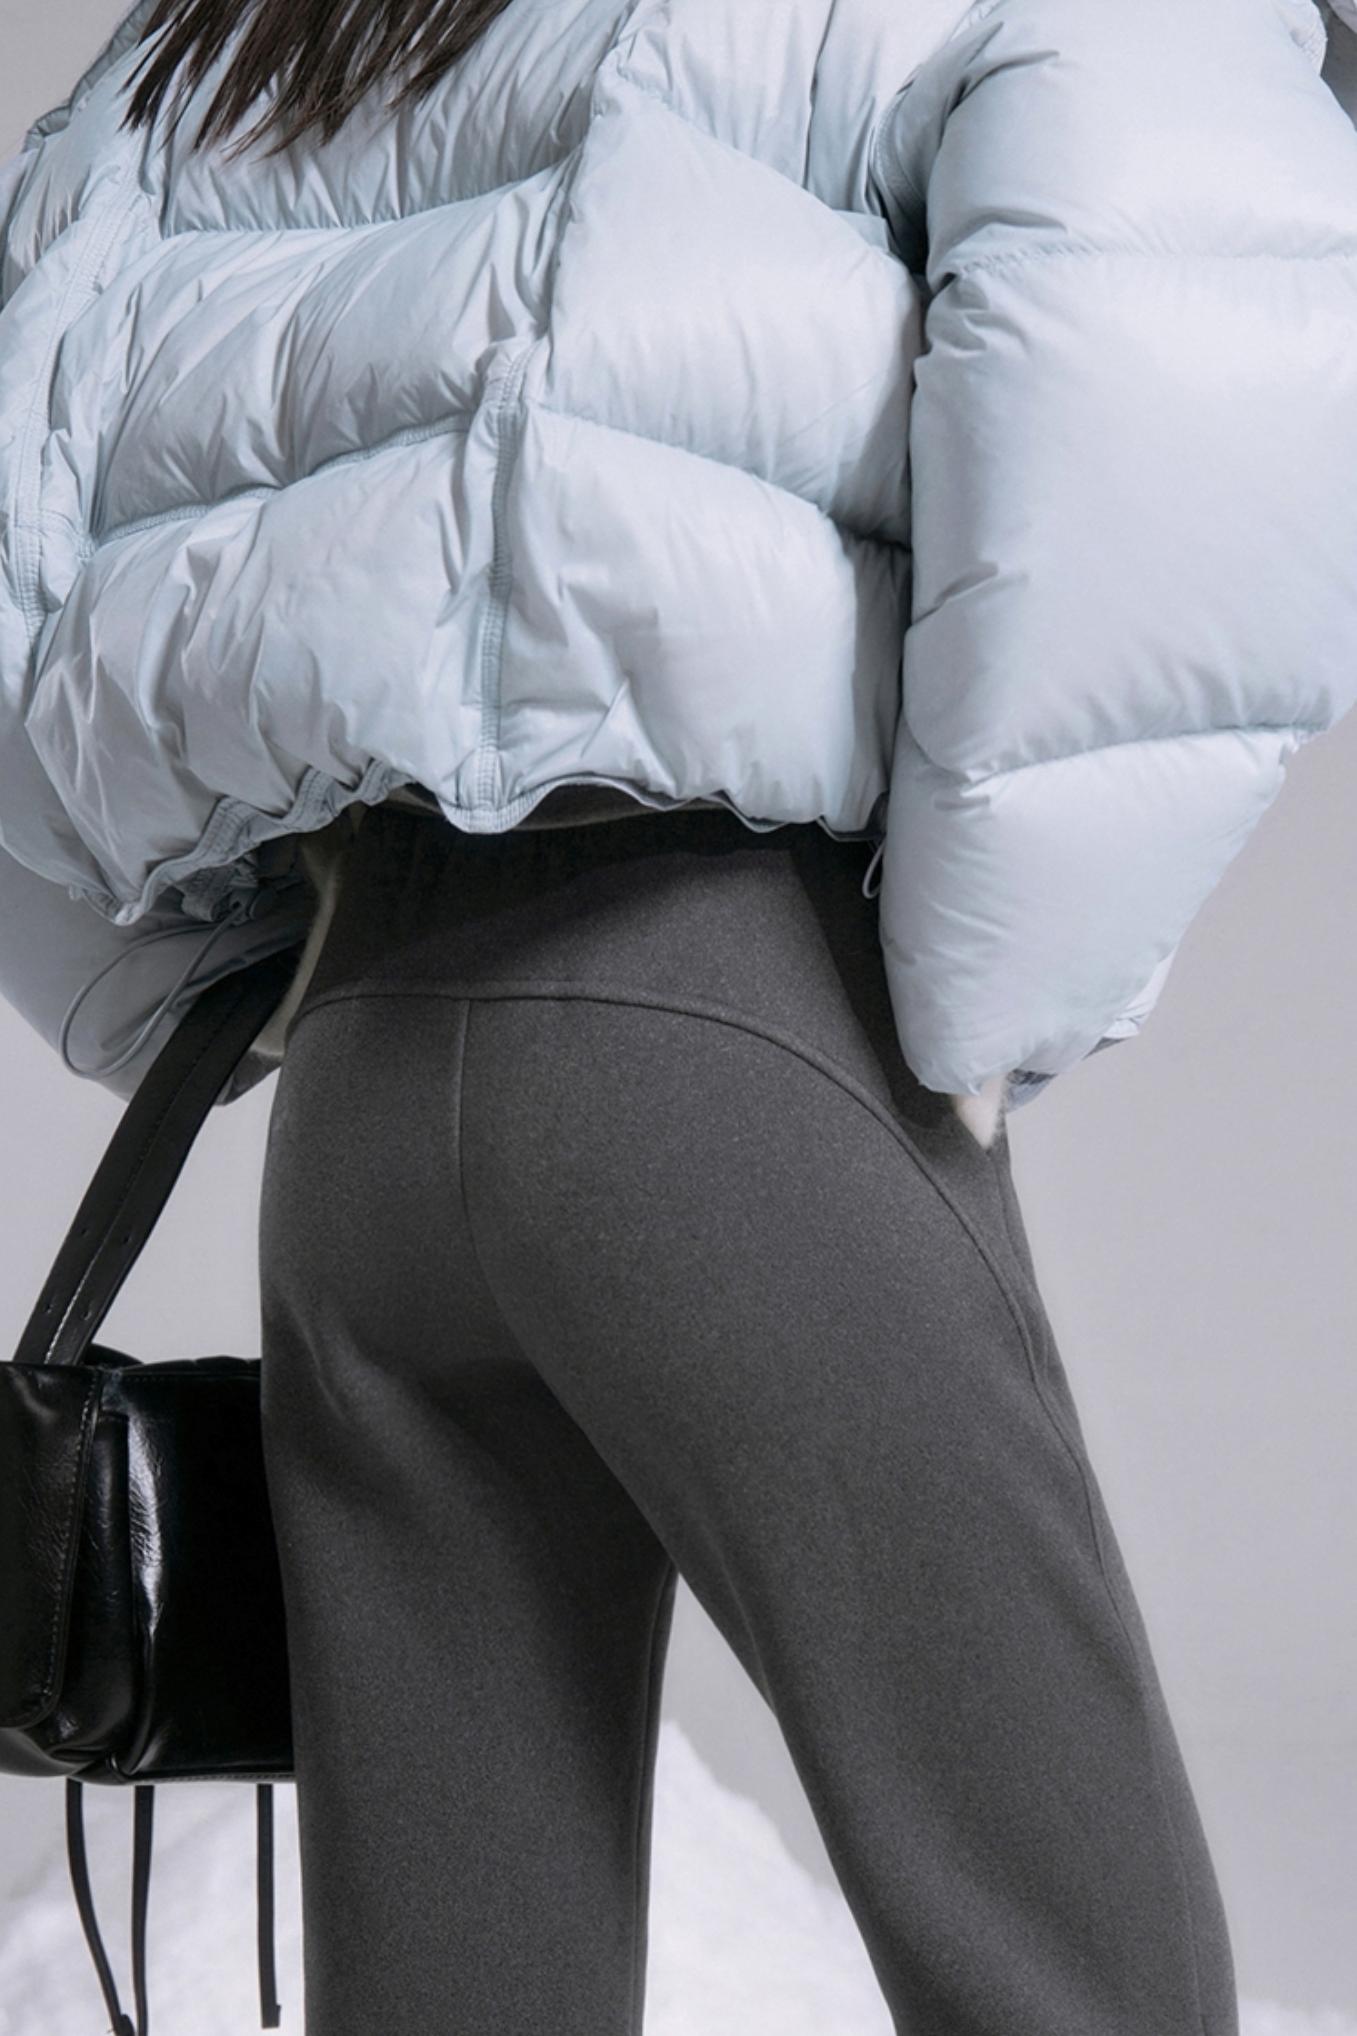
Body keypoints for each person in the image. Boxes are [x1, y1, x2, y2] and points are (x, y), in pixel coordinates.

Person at [2, 0, 1355, 2030]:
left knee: (457, 1993)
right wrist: (993, 985)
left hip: (362, 1081)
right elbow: (1154, 389)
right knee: (1080, 1974)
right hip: (720, 1017)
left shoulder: (227, 31)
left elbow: (16, 519)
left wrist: (197, 984)